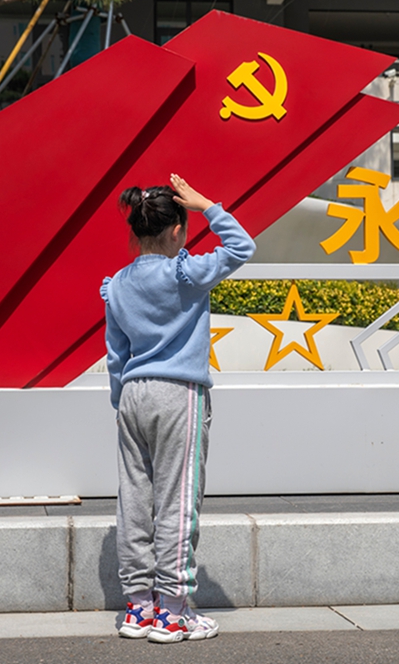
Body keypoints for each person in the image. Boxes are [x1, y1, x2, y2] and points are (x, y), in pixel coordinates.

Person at [101, 173, 255, 643]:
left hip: (133, 394)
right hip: (179, 393)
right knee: (178, 502)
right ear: (176, 231)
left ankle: (138, 607)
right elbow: (242, 247)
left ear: (136, 232)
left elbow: (115, 354)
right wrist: (207, 205)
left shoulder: (117, 285)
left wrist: (121, 400)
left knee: (134, 500)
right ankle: (173, 612)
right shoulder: (185, 274)